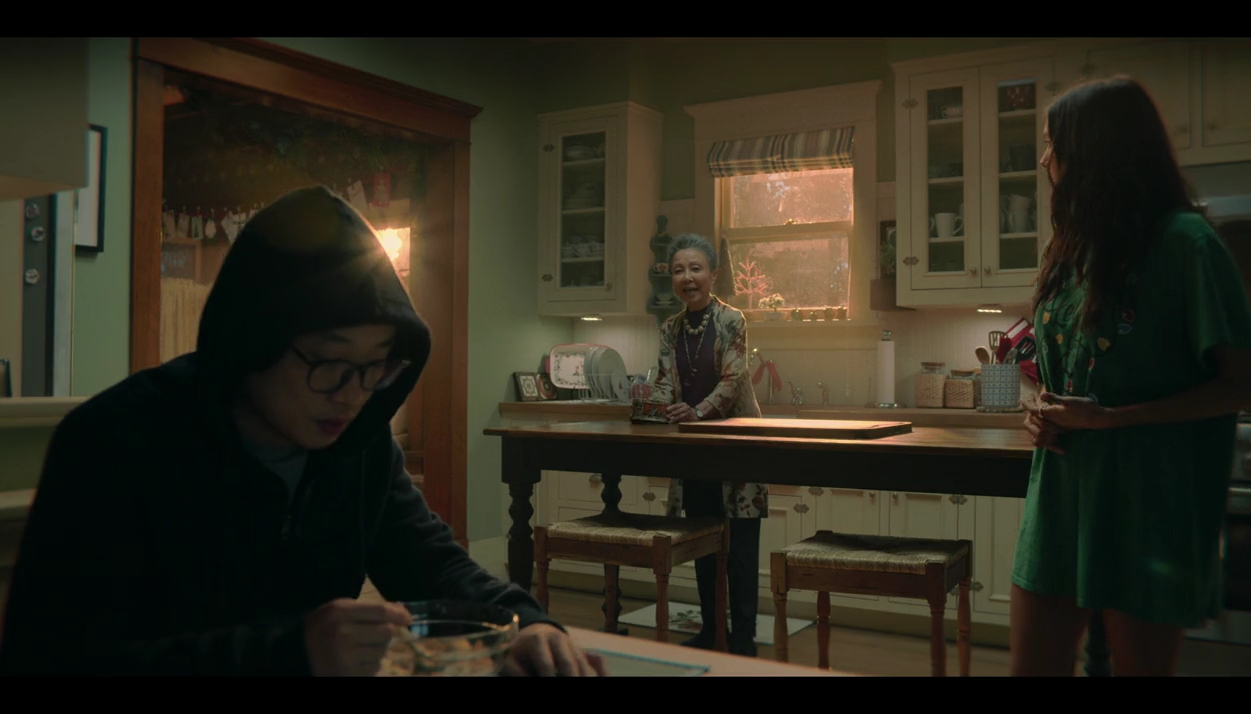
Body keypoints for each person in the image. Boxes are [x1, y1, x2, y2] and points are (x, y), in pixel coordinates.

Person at [0, 186, 603, 677]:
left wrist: (527, 624)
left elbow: (433, 565)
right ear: (252, 341)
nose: (353, 394)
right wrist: (292, 652)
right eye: (330, 362)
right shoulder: (116, 442)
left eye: (376, 367)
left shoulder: (358, 443)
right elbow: (49, 661)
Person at [1013, 77, 1251, 676]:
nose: (1045, 159)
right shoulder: (1071, 248)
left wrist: (1112, 419)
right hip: (1061, 498)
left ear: (1096, 149)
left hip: (1149, 505)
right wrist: (1039, 410)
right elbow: (1066, 368)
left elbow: (1247, 384)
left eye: (1054, 143)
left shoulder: (1188, 244)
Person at [651, 233, 765, 658]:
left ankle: (744, 638)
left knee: (741, 547)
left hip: (737, 448)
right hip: (694, 451)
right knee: (702, 540)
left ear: (713, 275)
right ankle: (711, 630)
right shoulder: (670, 327)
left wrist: (697, 411)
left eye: (695, 268)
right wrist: (653, 407)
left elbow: (734, 379)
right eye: (678, 270)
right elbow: (664, 383)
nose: (687, 277)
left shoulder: (732, 320)